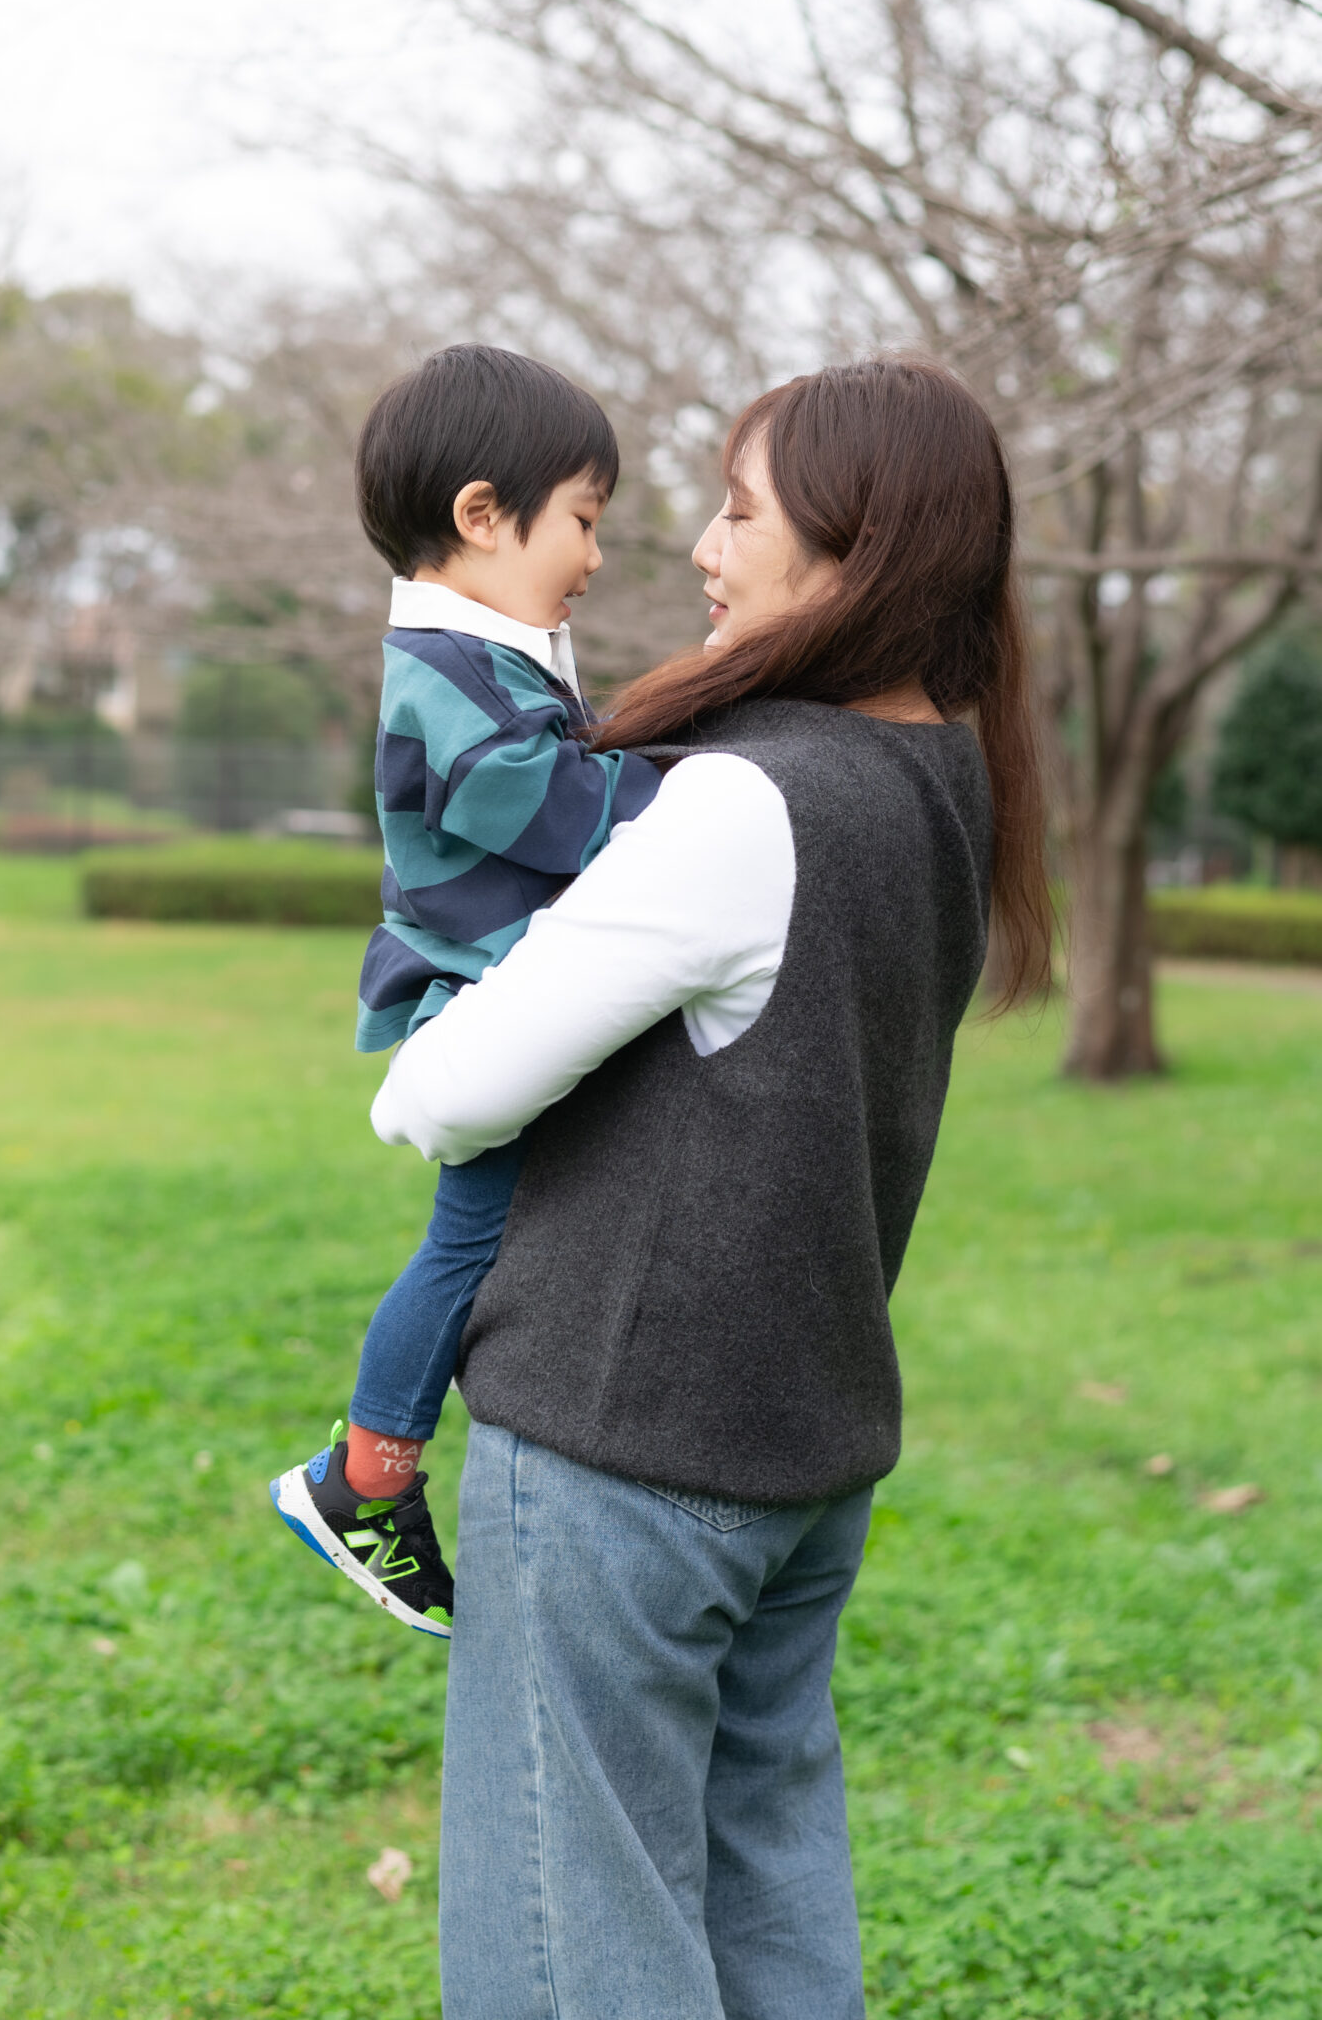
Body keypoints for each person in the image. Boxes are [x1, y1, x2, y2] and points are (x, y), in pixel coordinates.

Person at [371, 360, 1052, 2020]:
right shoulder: (945, 778)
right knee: (763, 1911)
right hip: (799, 1450)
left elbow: (439, 1097)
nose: (698, 545)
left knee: (569, 1951)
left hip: (625, 1450)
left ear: (859, 546)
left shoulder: (744, 799)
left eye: (741, 508)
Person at [270, 344, 662, 1636]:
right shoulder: (450, 671)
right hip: (475, 996)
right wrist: (691, 783)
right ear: (483, 517)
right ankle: (360, 1479)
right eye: (584, 520)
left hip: (505, 986)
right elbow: (539, 804)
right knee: (469, 1240)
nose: (595, 556)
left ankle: (376, 1466)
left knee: (500, 1236)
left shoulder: (492, 652)